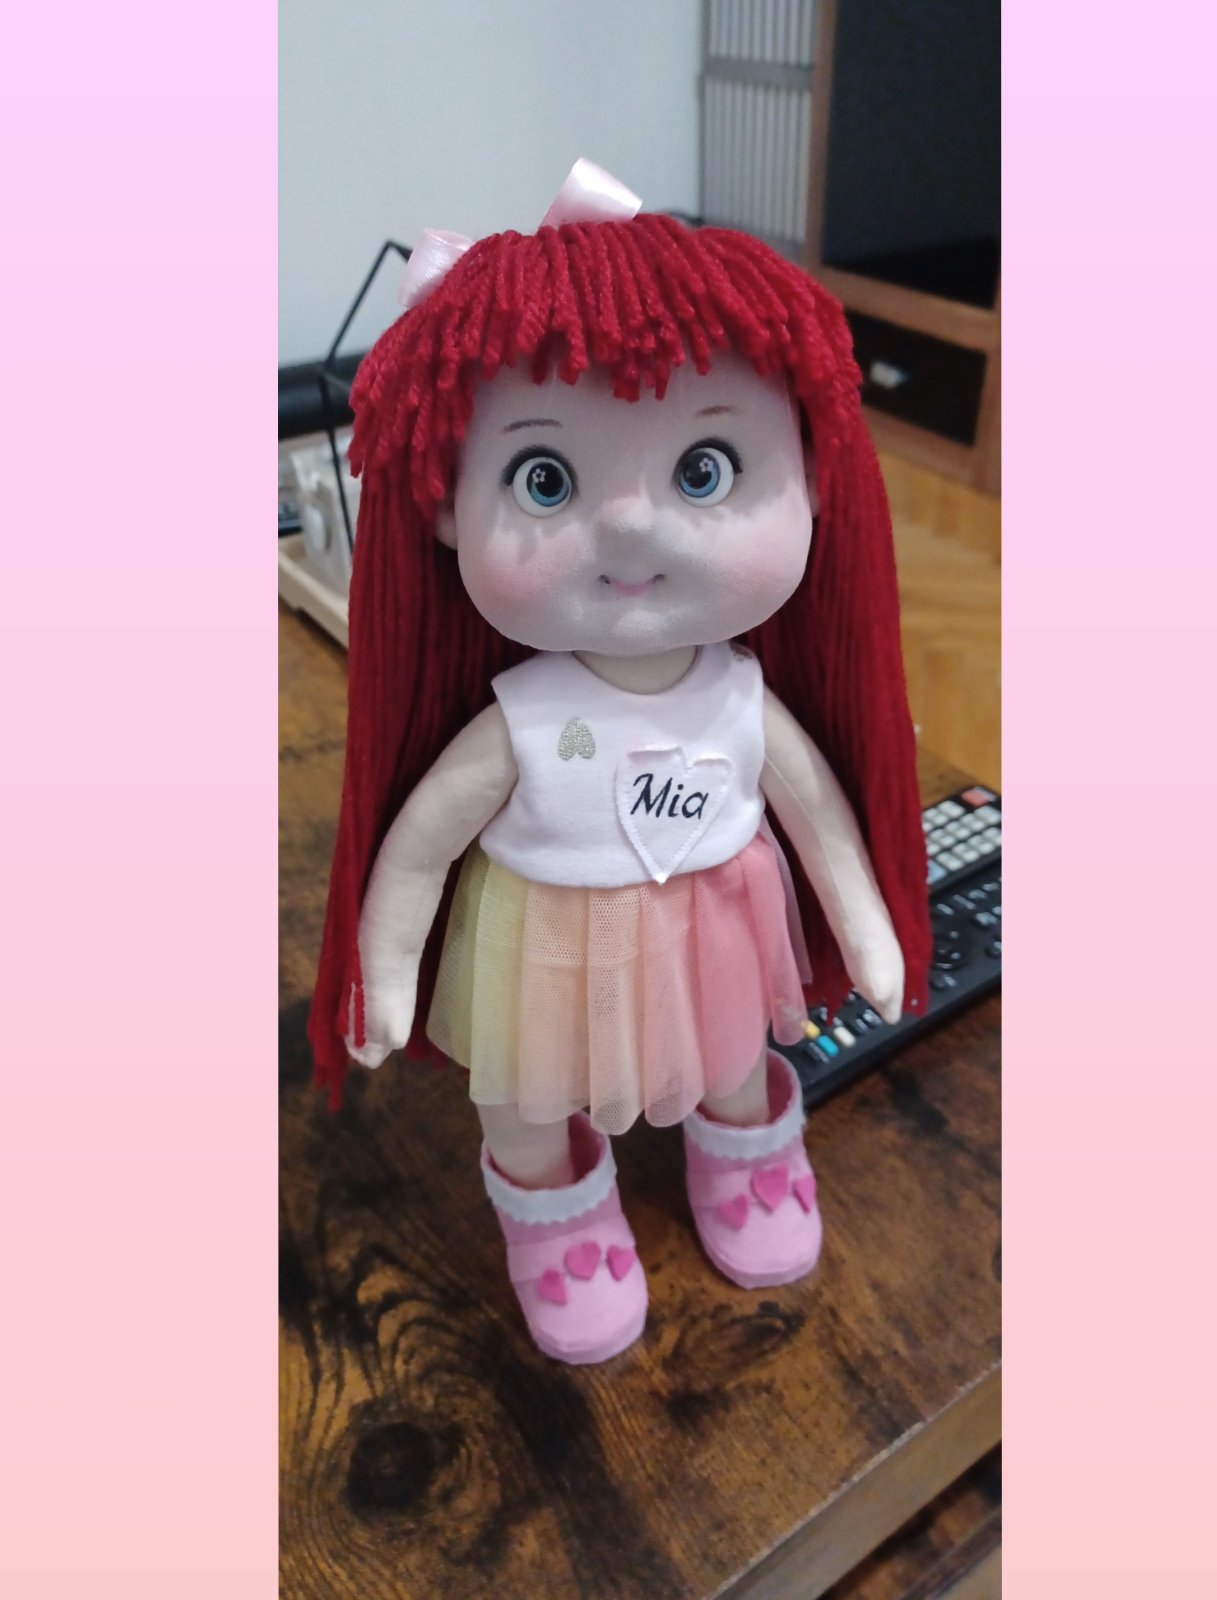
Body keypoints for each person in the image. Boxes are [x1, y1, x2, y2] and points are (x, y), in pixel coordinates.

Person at [309, 162, 929, 1365]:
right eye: (544, 480)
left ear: (811, 474)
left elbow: (817, 816)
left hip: (716, 934)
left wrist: (867, 928)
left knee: (734, 1052)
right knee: (524, 1093)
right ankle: (557, 1221)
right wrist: (384, 978)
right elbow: (421, 843)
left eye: (705, 470)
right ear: (445, 508)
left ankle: (744, 1156)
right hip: (534, 949)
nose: (633, 526)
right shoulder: (520, 717)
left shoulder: (739, 697)